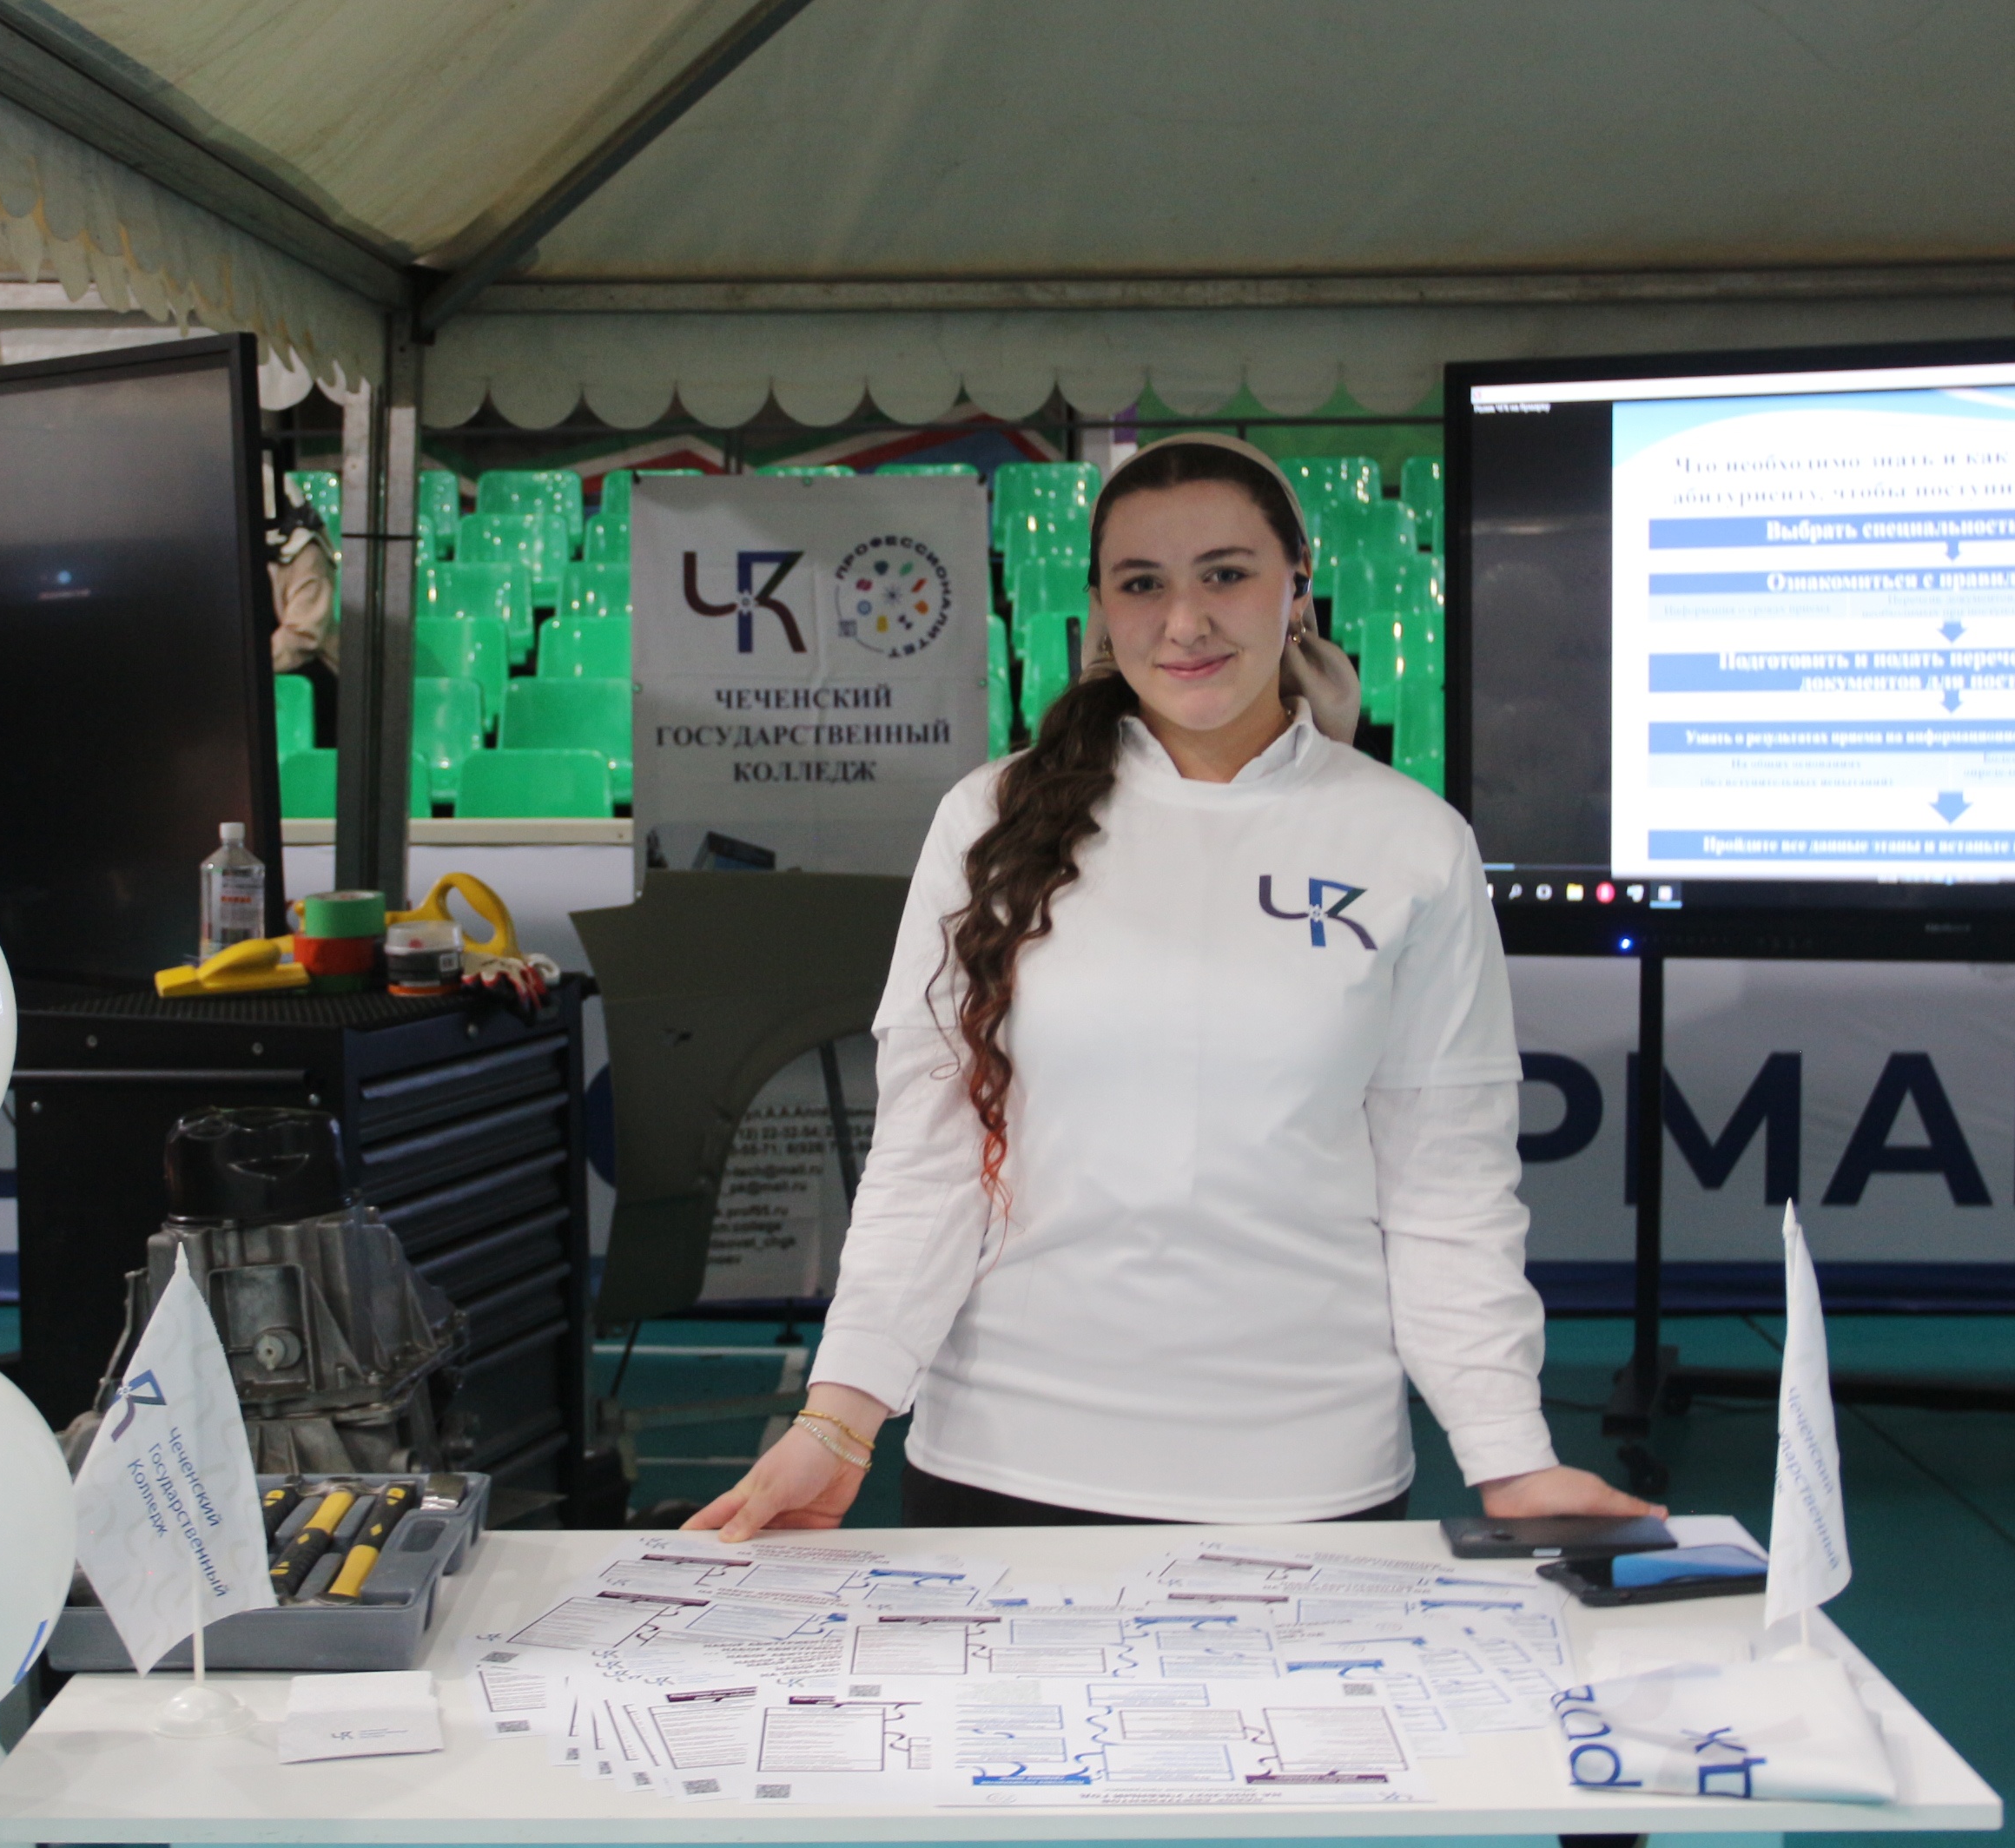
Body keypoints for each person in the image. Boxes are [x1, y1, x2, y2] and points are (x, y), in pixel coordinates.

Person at [690, 434, 1658, 1538]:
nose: (1184, 622)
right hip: (1003, 1455)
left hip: (1306, 1471)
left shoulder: (1412, 843)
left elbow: (1448, 1186)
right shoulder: (989, 821)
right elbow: (929, 1155)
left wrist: (1509, 1456)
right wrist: (839, 1418)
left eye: (1225, 574)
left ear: (1298, 585)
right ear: (1102, 608)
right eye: (1142, 584)